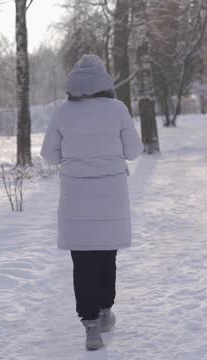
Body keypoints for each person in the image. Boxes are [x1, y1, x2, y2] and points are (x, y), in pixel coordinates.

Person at [40, 54, 143, 351]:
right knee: (105, 256)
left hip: (76, 196)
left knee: (82, 260)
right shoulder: (118, 109)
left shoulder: (63, 113)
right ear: (104, 81)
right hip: (111, 195)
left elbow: (50, 155)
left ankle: (90, 326)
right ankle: (104, 311)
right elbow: (134, 151)